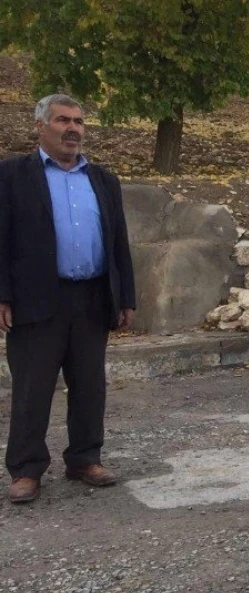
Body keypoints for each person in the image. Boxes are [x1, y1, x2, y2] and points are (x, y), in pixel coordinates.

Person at [1, 94, 136, 504]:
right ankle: (26, 469)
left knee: (90, 384)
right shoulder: (11, 175)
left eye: (78, 121)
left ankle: (84, 458)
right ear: (40, 126)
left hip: (92, 297)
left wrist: (125, 295)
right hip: (36, 298)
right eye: (62, 120)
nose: (73, 128)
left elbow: (118, 242)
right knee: (32, 387)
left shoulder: (102, 179)